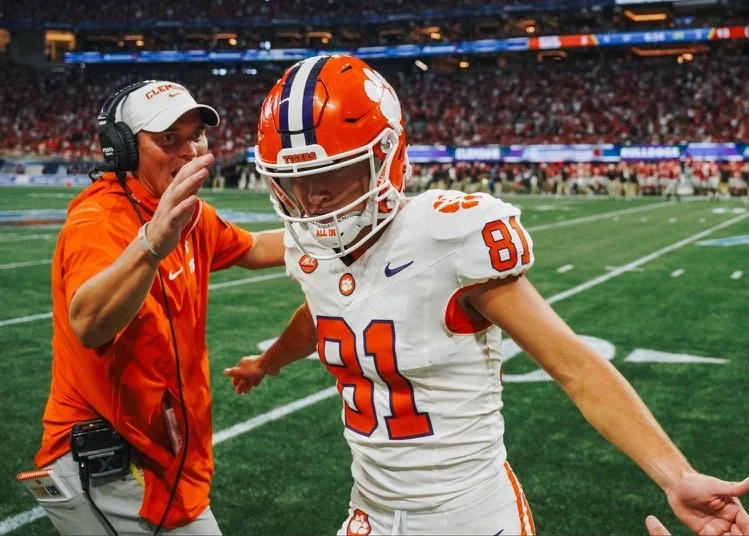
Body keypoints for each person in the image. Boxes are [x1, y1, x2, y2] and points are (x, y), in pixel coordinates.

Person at [224, 55, 749, 535]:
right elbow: (320, 312)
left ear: (387, 156)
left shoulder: (446, 238)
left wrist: (675, 474)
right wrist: (267, 363)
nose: (312, 200)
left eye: (332, 174)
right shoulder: (309, 245)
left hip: (470, 515)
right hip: (369, 511)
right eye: (296, 181)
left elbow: (577, 368)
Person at [33, 80, 286, 534]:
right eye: (168, 138)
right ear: (124, 150)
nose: (189, 150)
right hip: (108, 460)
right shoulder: (100, 219)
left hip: (157, 454)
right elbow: (88, 324)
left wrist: (342, 232)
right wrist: (151, 245)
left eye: (195, 136)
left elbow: (258, 247)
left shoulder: (190, 215)